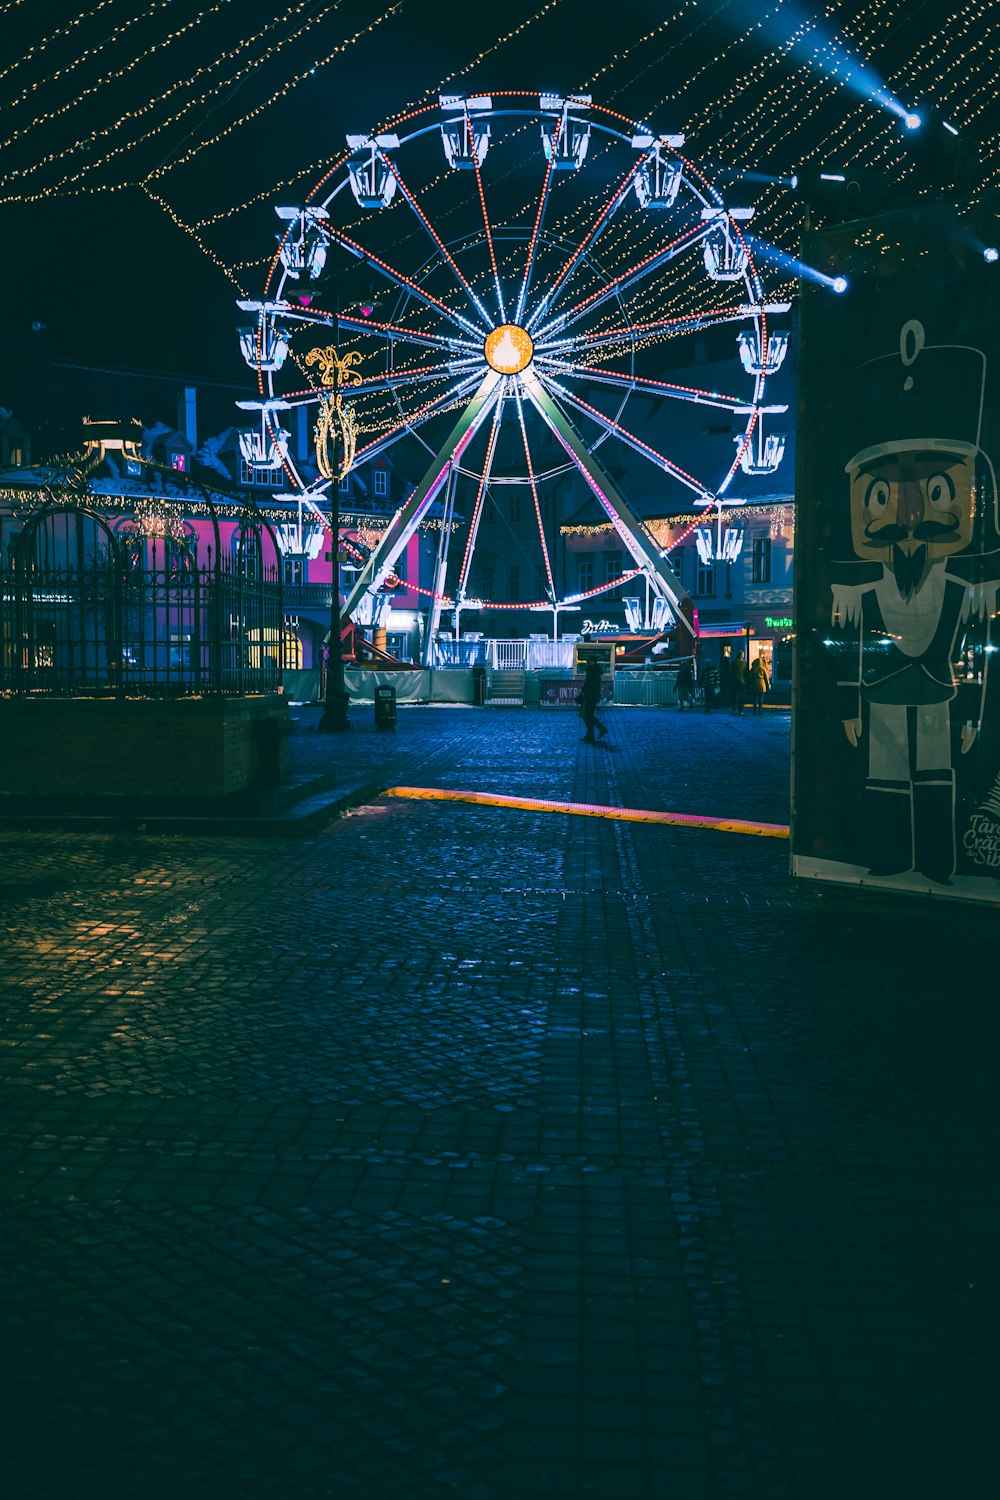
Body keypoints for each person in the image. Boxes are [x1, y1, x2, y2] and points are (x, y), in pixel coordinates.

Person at [579, 656, 608, 743]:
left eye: (589, 661)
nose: (588, 662)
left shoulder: (592, 671)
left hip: (590, 696)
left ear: (592, 661)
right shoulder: (596, 671)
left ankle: (595, 732)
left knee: (588, 715)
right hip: (593, 696)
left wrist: (584, 691)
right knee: (589, 715)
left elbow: (589, 684)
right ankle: (592, 734)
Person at [730, 650, 748, 715]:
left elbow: (729, 671)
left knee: (734, 696)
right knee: (741, 696)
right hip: (742, 681)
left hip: (734, 681)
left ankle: (734, 708)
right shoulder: (745, 663)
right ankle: (741, 710)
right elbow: (746, 673)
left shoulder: (733, 662)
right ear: (742, 656)